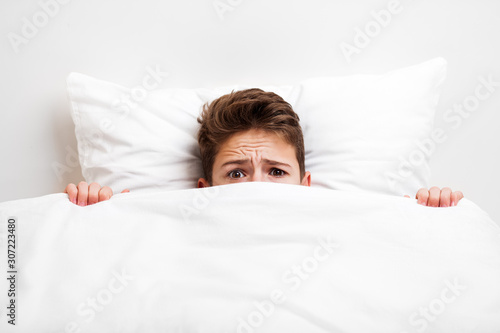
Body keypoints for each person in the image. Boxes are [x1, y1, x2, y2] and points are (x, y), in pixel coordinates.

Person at [64, 89, 464, 207]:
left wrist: (431, 217)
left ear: (305, 184)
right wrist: (92, 219)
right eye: (236, 173)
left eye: (276, 171)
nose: (258, 186)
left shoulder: (349, 222)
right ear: (205, 188)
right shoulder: (162, 224)